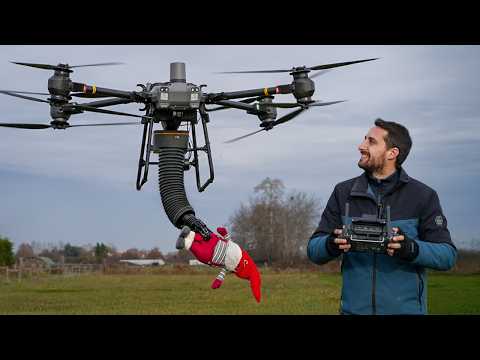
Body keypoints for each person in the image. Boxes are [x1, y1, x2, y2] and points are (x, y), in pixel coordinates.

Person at [307, 118, 457, 315]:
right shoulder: (343, 192)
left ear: (392, 153)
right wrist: (331, 244)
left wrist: (411, 248)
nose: (361, 146)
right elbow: (313, 251)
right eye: (364, 139)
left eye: (371, 141)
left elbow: (447, 256)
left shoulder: (423, 195)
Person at [176, 226, 262, 303]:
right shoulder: (234, 256)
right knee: (204, 245)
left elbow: (223, 271)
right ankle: (189, 236)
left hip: (212, 252)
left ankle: (186, 241)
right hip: (214, 248)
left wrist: (218, 280)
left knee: (201, 251)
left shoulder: (230, 265)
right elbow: (228, 239)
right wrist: (224, 233)